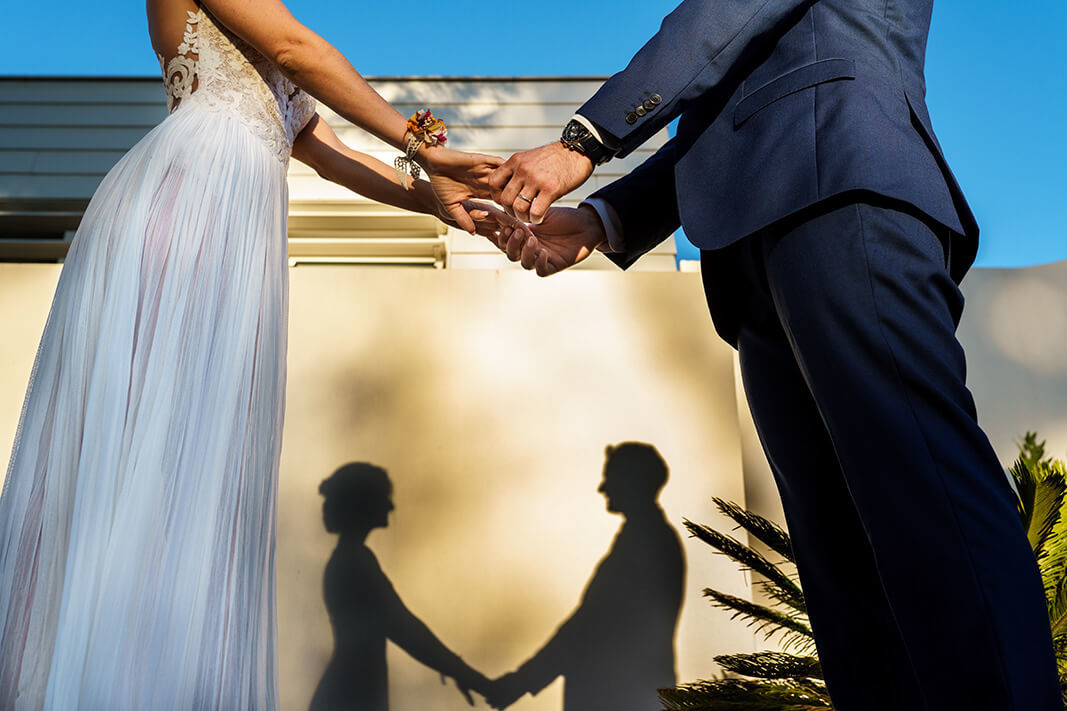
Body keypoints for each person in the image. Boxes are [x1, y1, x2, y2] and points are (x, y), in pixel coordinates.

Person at [485, 1, 1063, 709]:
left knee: (926, 487)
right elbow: (727, 109)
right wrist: (604, 219)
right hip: (754, 239)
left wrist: (586, 137)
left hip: (841, 184)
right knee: (837, 557)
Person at [0, 0, 514, 706]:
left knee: (195, 452)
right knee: (156, 444)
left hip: (233, 202)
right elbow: (298, 48)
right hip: (193, 198)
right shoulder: (265, 26)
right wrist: (426, 141)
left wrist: (433, 201)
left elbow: (330, 155)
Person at [486, 443, 684, 711]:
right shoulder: (652, 539)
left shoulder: (643, 544)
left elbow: (586, 628)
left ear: (632, 481)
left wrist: (520, 682)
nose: (602, 488)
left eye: (610, 478)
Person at [311, 463, 490, 711]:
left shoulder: (349, 559)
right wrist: (466, 675)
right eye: (384, 497)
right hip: (353, 694)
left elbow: (404, 628)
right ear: (363, 503)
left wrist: (460, 672)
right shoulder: (357, 562)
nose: (391, 506)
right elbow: (405, 629)